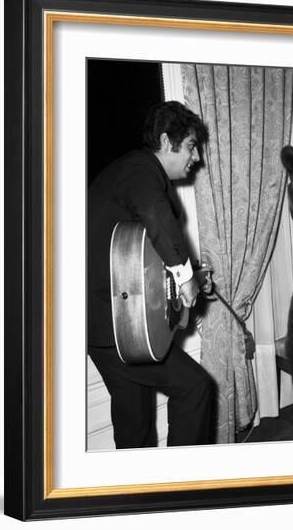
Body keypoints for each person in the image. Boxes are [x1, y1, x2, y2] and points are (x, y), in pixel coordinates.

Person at [87, 101, 214, 448]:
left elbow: (139, 262)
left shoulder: (130, 175)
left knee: (135, 421)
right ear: (165, 140)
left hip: (108, 328)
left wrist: (191, 278)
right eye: (191, 146)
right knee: (195, 388)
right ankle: (178, 488)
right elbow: (155, 215)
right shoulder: (141, 169)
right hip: (114, 329)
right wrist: (186, 278)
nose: (197, 157)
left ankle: (136, 496)